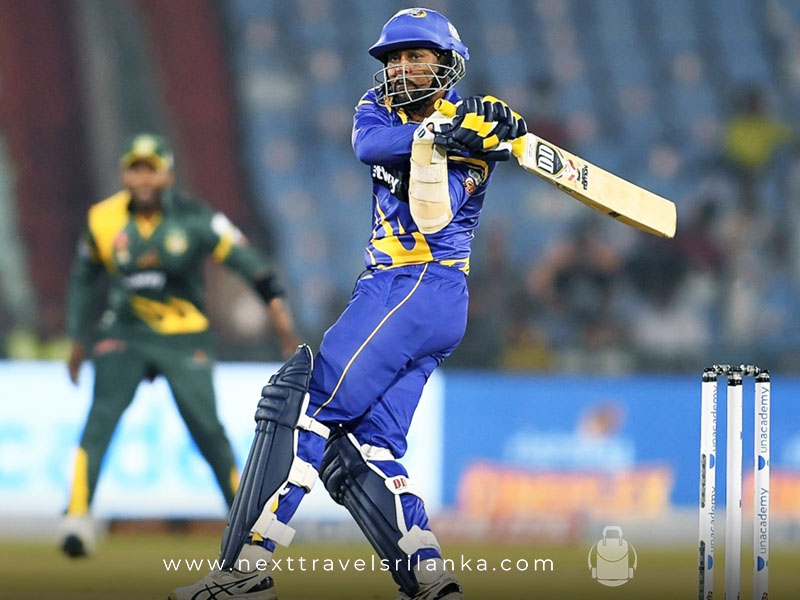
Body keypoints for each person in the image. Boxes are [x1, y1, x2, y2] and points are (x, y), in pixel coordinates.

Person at [170, 8, 525, 600]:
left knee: (302, 404)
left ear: (447, 63)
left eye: (418, 56)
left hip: (415, 283)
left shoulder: (472, 133)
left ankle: (246, 569)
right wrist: (434, 136)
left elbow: (435, 212)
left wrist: (483, 140)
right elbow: (369, 146)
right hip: (420, 299)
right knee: (367, 447)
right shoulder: (380, 110)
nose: (403, 68)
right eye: (395, 58)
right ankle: (429, 578)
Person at [61, 133, 300, 558]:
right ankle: (77, 518)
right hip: (125, 334)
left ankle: (245, 523)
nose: (144, 177)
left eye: (152, 167)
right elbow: (84, 281)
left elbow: (250, 264)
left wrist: (279, 316)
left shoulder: (196, 218)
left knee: (208, 431)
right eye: (136, 167)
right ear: (124, 173)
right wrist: (78, 339)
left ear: (168, 174)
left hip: (184, 337)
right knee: (100, 422)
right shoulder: (102, 219)